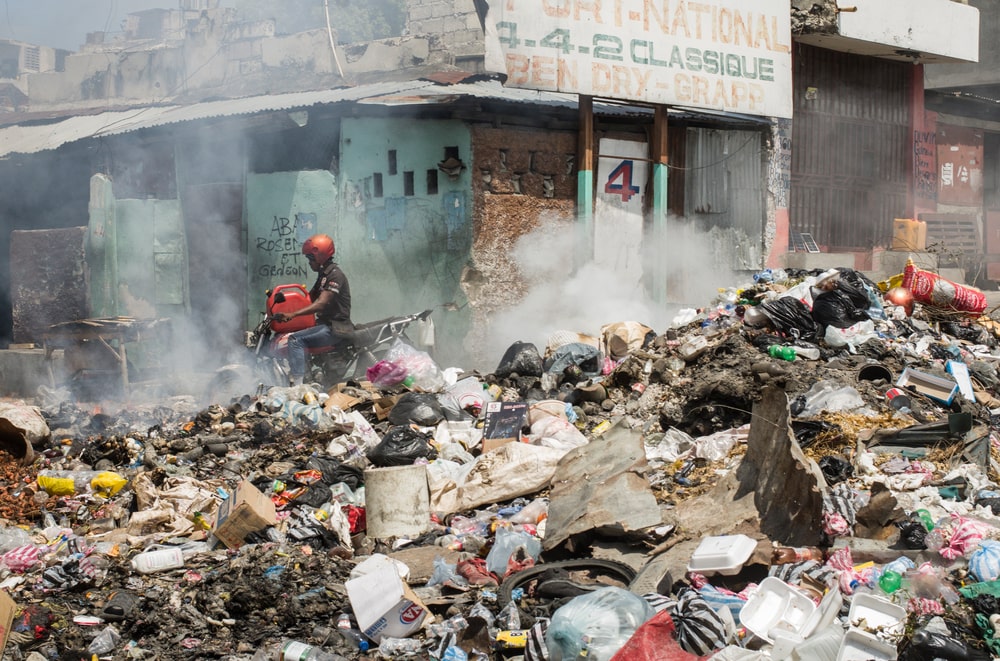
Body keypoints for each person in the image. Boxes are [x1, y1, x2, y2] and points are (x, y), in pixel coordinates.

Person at [272, 234, 353, 386]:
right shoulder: (323, 275)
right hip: (325, 325)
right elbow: (308, 298)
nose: (309, 262)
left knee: (295, 340)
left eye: (311, 258)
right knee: (295, 333)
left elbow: (320, 303)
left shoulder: (335, 275)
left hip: (335, 328)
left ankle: (298, 386)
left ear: (320, 255)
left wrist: (293, 314)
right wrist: (283, 307)